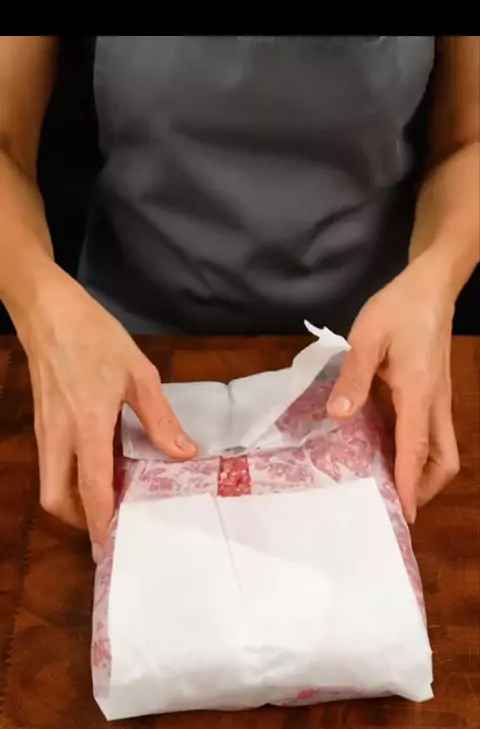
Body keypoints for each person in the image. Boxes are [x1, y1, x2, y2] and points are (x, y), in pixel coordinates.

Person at [0, 37, 478, 556]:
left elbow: (469, 142)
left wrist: (437, 277)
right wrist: (38, 299)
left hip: (368, 357)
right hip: (122, 353)